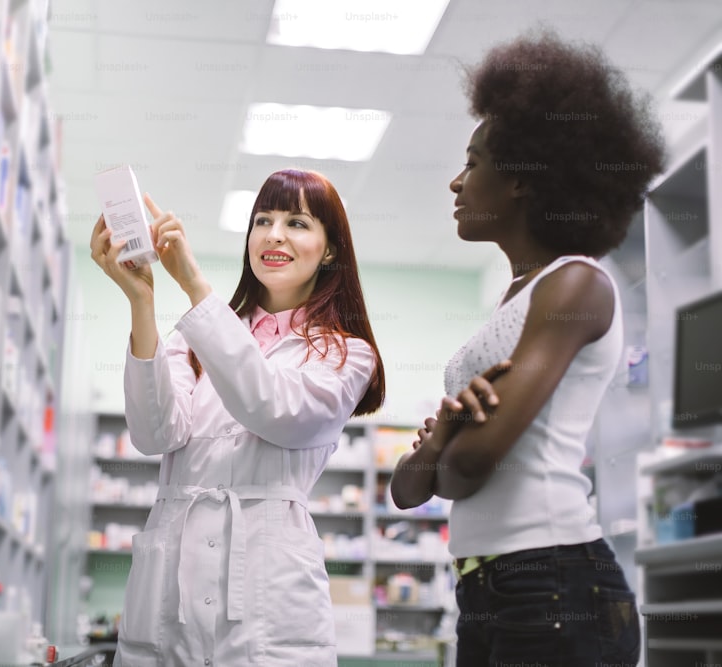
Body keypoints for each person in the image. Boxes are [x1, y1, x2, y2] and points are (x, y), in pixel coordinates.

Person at [389, 30, 666, 666]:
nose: (456, 183)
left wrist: (449, 449)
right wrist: (441, 442)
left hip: (554, 582)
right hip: (487, 586)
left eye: (474, 163)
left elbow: (467, 470)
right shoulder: (515, 304)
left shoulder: (574, 283)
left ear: (520, 179)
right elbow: (409, 489)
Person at [90, 168, 386, 667]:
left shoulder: (346, 355)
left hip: (270, 599)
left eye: (297, 222)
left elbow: (274, 409)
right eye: (263, 220)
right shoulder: (194, 338)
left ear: (330, 249)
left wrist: (194, 284)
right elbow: (154, 433)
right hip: (171, 590)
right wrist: (142, 301)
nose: (273, 234)